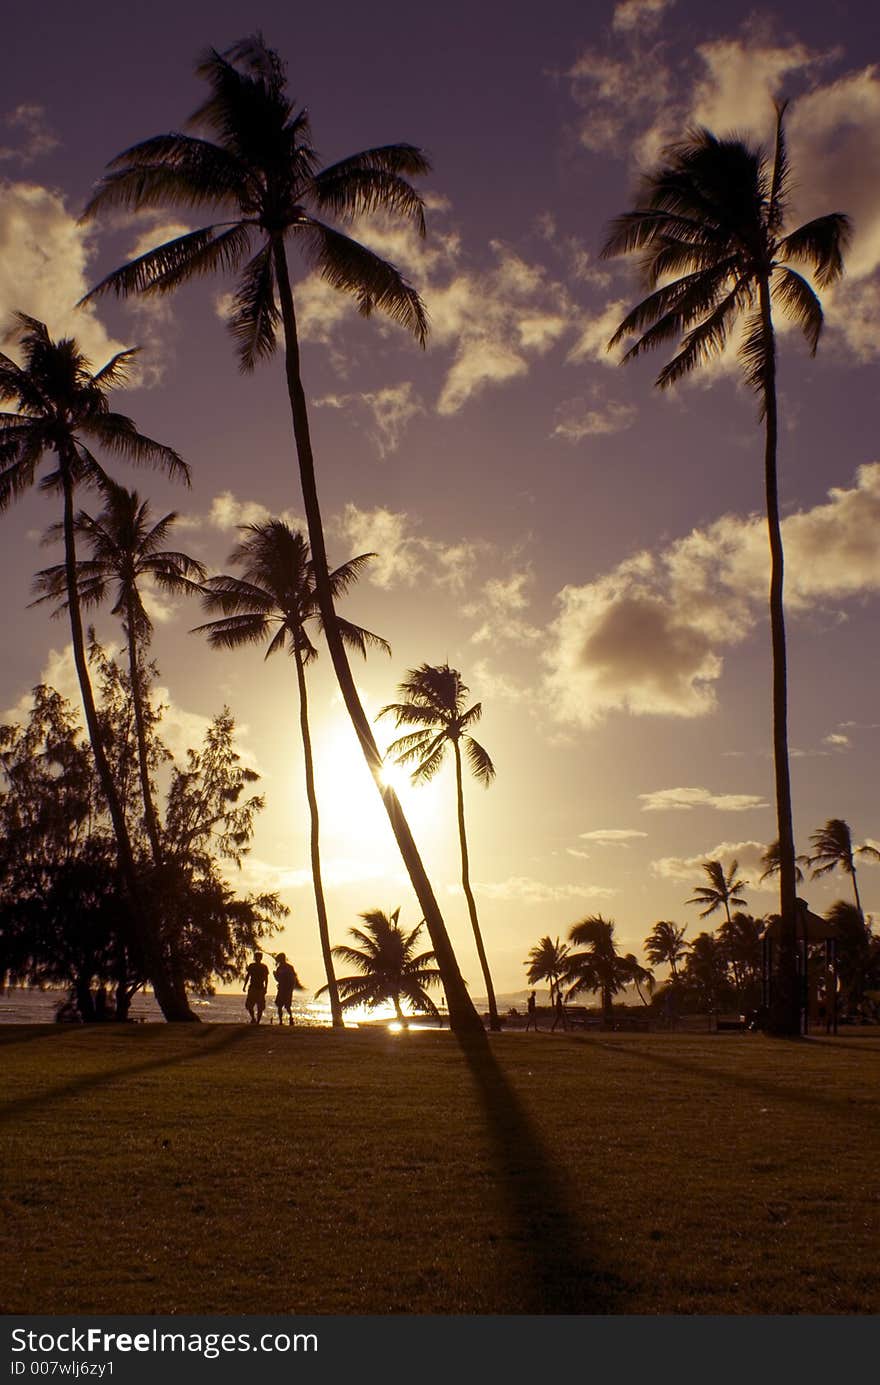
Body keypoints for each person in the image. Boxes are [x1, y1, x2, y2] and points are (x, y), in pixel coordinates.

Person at [243, 950, 269, 1024]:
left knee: (260, 1007)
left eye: (259, 957)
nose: (257, 958)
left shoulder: (264, 967)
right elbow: (248, 976)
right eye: (256, 957)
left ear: (261, 958)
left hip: (260, 988)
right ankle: (253, 1018)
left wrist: (266, 988)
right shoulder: (252, 966)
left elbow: (266, 978)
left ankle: (257, 1021)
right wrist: (244, 986)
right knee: (249, 1005)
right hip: (252, 988)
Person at [274, 952, 299, 1026]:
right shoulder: (279, 968)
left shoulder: (289, 967)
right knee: (279, 1006)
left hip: (287, 989)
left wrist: (291, 988)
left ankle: (291, 1018)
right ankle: (281, 1021)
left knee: (287, 1006)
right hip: (281, 989)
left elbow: (293, 978)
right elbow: (278, 979)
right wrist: (275, 976)